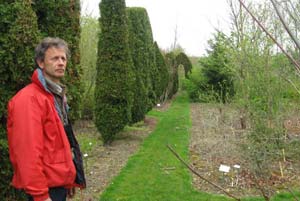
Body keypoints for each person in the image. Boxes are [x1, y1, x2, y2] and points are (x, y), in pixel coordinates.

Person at [7, 37, 86, 201]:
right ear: (41, 63)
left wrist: (68, 179)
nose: (61, 63)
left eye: (63, 58)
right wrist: (40, 195)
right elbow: (27, 151)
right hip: (44, 189)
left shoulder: (56, 96)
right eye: (55, 58)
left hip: (57, 184)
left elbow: (60, 143)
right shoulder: (29, 99)